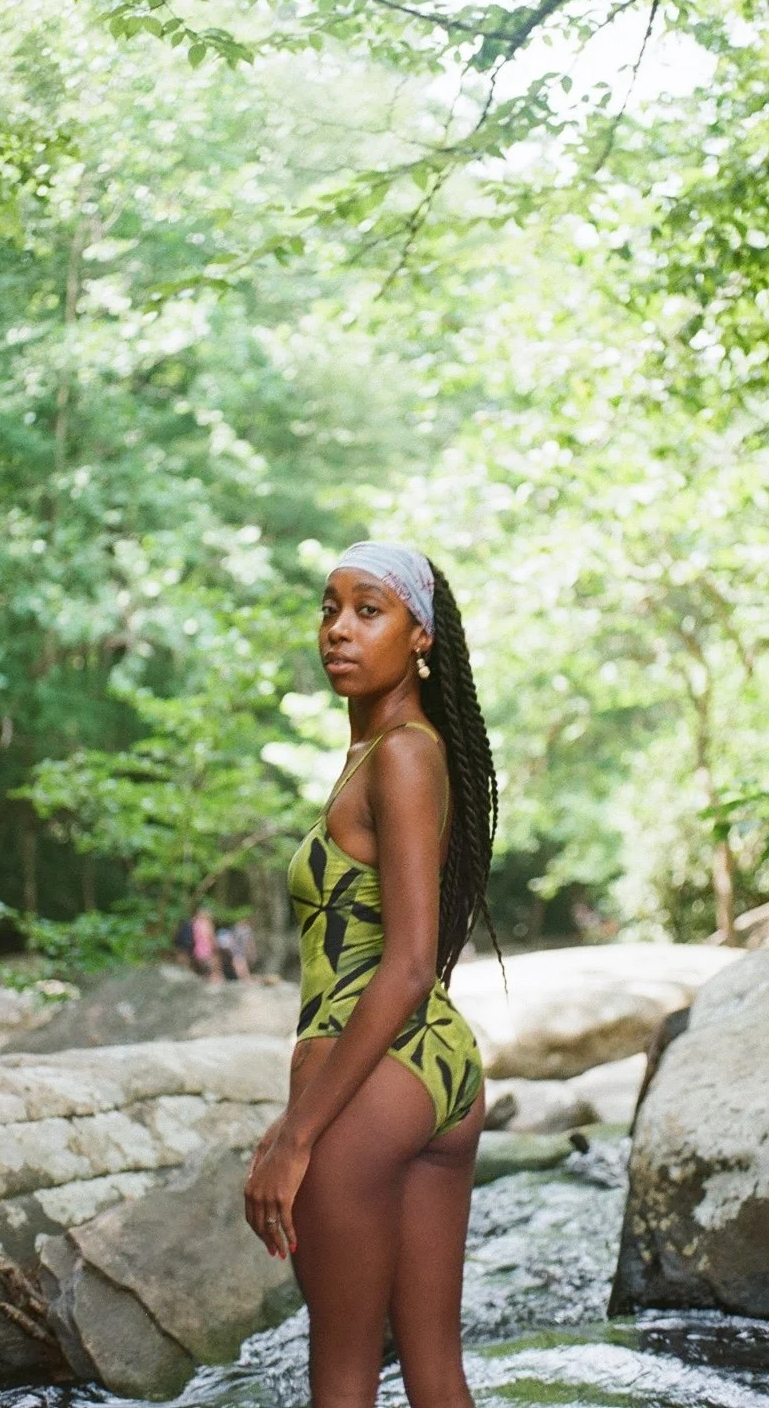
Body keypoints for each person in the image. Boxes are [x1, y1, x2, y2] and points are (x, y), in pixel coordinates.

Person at [244, 541, 500, 1408]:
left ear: (420, 635)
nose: (337, 630)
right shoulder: (392, 752)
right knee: (433, 1370)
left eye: (368, 609)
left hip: (375, 1078)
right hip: (436, 1074)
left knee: (343, 1375)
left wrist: (294, 1136)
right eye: (328, 609)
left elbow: (407, 961)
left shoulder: (400, 751)